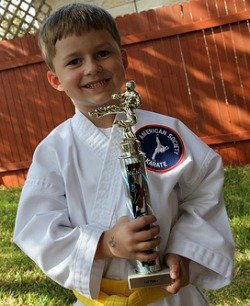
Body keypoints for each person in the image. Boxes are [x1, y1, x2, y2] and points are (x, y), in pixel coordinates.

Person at [13, 3, 234, 306]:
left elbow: (202, 189)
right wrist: (107, 243)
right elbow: (36, 228)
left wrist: (184, 251)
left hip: (171, 295)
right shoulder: (54, 151)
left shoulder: (165, 131)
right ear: (55, 80)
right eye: (75, 61)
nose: (92, 67)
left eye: (102, 53)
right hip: (101, 298)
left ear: (123, 58)